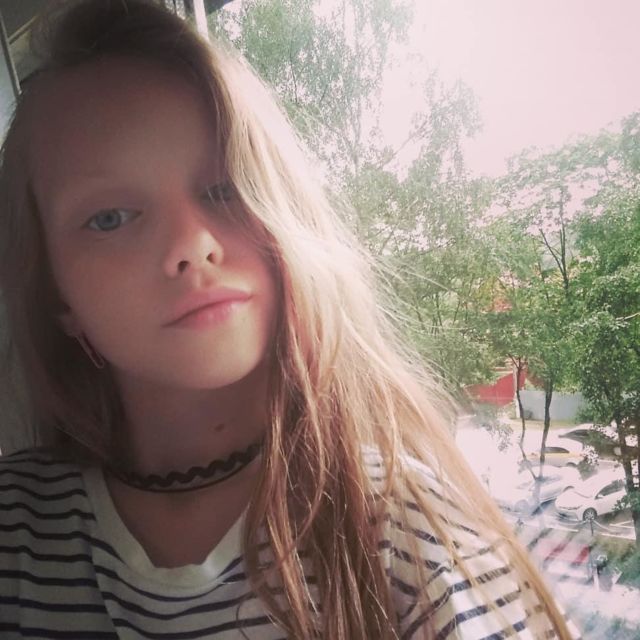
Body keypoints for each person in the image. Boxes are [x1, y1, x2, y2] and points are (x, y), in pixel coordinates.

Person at [0, 1, 579, 638]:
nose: (193, 244)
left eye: (224, 189)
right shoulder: (15, 532)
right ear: (56, 296)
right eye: (109, 218)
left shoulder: (407, 532)